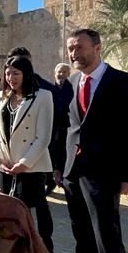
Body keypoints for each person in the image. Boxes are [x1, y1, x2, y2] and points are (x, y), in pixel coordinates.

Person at [56, 28, 128, 253]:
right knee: (82, 234)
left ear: (97, 47)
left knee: (107, 236)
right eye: (70, 48)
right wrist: (60, 166)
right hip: (74, 171)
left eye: (79, 47)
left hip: (105, 172)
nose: (73, 53)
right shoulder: (72, 82)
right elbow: (69, 128)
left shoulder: (125, 83)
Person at [0, 55, 55, 253]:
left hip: (31, 166)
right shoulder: (1, 97)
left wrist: (24, 163)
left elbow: (43, 136)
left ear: (26, 73)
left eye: (16, 73)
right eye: (8, 73)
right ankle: (15, 251)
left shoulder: (43, 96)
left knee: (34, 209)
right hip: (6, 165)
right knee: (9, 210)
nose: (11, 78)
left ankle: (44, 251)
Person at [48, 63, 74, 191]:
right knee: (50, 153)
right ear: (55, 73)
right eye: (59, 71)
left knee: (64, 154)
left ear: (69, 74)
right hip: (51, 127)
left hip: (67, 127)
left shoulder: (73, 89)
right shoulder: (49, 90)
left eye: (64, 72)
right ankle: (50, 182)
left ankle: (63, 179)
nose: (61, 74)